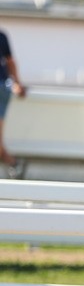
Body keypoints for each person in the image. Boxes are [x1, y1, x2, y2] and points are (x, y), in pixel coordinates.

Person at [0, 28, 27, 179]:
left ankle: (15, 165)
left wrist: (17, 83)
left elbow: (10, 62)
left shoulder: (1, 36)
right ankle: (15, 164)